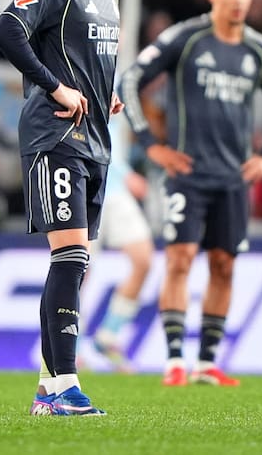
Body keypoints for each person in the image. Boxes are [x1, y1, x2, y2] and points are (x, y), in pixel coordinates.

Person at [0, 0, 134, 417]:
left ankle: (48, 389)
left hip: (95, 139)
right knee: (70, 257)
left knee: (78, 262)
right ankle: (64, 387)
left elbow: (86, 57)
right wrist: (54, 87)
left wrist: (104, 90)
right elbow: (7, 29)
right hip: (55, 138)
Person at [118, 0, 262, 388]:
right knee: (179, 259)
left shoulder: (260, 50)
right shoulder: (187, 38)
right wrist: (150, 144)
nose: (239, 0)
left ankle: (207, 363)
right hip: (187, 172)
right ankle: (175, 361)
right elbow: (131, 80)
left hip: (234, 178)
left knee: (224, 265)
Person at [88, 117, 154, 373]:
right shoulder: (81, 78)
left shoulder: (122, 80)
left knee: (143, 259)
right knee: (79, 271)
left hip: (115, 192)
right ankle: (70, 346)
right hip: (87, 188)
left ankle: (108, 337)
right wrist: (126, 174)